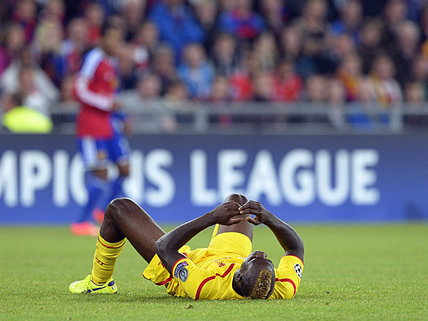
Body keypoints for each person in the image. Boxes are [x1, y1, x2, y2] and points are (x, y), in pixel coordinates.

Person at [69, 194, 305, 300]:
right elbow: (295, 249)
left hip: (180, 261)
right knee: (239, 202)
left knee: (119, 208)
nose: (260, 253)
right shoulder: (281, 286)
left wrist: (212, 217)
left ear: (239, 277)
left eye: (255, 259)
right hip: (230, 255)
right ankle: (237, 218)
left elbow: (165, 247)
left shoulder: (203, 285)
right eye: (267, 259)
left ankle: (99, 283)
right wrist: (269, 218)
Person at [72, 21, 130, 236]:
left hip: (109, 123)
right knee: (101, 172)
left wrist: (122, 115)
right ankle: (80, 222)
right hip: (91, 124)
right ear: (103, 39)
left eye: (119, 39)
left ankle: (100, 210)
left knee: (125, 169)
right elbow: (78, 89)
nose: (116, 43)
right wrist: (106, 105)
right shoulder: (93, 58)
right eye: (113, 38)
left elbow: (110, 95)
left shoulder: (110, 62)